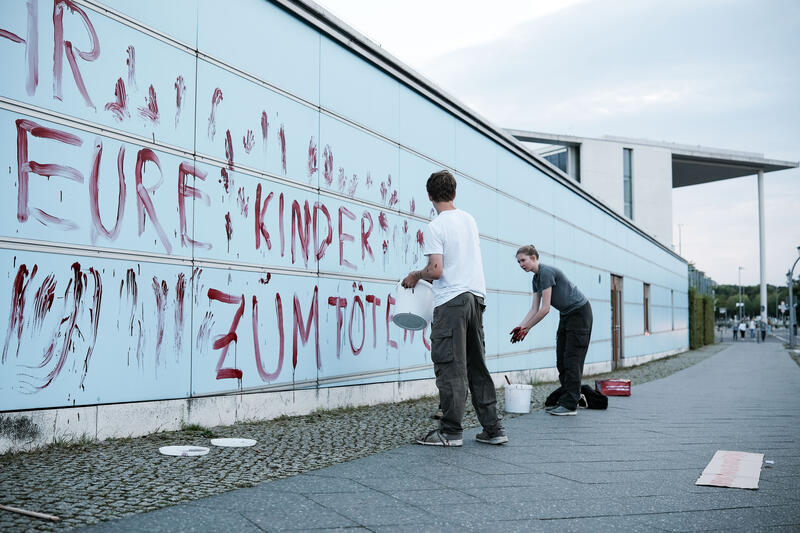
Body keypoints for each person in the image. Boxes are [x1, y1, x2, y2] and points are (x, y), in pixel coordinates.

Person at [402, 170, 507, 447]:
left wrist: (415, 275)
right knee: (477, 366)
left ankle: (450, 432)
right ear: (455, 193)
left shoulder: (435, 226)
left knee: (451, 367)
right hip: (475, 298)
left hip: (451, 301)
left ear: (429, 196)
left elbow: (436, 270)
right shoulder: (469, 219)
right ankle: (493, 429)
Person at [511, 245, 593, 416]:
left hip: (579, 313)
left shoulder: (546, 272)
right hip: (566, 315)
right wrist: (521, 327)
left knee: (572, 360)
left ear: (534, 257)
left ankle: (570, 405)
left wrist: (527, 329)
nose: (521, 264)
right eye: (518, 262)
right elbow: (534, 309)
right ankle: (568, 399)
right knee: (561, 361)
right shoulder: (535, 279)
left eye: (523, 260)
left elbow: (545, 308)